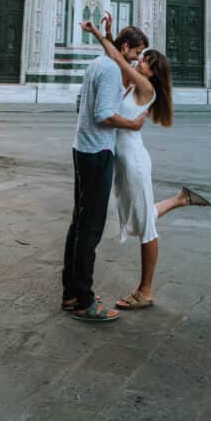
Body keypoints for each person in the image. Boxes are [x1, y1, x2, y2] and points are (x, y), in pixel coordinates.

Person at [81, 14, 211, 311]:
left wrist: (100, 34)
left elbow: (120, 59)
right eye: (139, 54)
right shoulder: (131, 86)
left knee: (147, 226)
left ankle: (146, 290)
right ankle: (181, 199)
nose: (139, 60)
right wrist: (109, 34)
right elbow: (117, 60)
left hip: (135, 162)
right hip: (124, 162)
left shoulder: (146, 89)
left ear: (153, 71)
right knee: (137, 216)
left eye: (144, 59)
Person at [61, 25, 148, 323]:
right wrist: (132, 125)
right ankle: (85, 301)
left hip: (82, 147)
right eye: (135, 53)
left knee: (79, 223)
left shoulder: (98, 64)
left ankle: (71, 291)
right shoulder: (111, 69)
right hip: (98, 152)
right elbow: (103, 115)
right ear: (123, 47)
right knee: (90, 229)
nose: (136, 60)